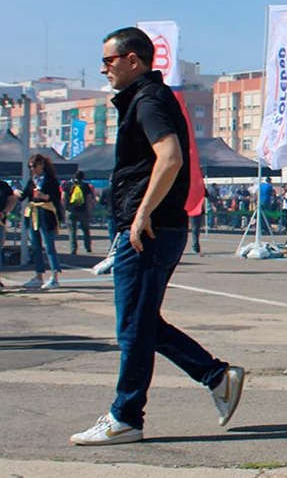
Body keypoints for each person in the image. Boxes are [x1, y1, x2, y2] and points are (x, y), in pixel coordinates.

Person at [70, 27, 243, 446]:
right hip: (152, 227)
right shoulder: (146, 100)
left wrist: (141, 213)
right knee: (141, 323)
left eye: (109, 61)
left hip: (149, 228)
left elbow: (170, 156)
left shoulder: (148, 100)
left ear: (134, 60)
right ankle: (216, 376)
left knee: (132, 327)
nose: (104, 69)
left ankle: (126, 416)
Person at [17, 154, 64, 289]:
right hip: (33, 214)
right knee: (36, 246)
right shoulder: (33, 180)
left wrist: (45, 196)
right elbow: (23, 195)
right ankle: (38, 276)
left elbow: (57, 197)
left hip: (46, 213)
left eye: (34, 166)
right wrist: (15, 193)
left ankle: (55, 277)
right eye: (30, 167)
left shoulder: (50, 180)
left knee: (49, 246)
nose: (32, 169)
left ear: (42, 165)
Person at [65, 170, 96, 255]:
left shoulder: (67, 185)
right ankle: (88, 247)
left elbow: (62, 198)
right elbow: (88, 200)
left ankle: (73, 249)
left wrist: (64, 209)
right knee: (86, 230)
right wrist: (89, 212)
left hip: (70, 210)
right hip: (83, 211)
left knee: (72, 231)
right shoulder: (86, 186)